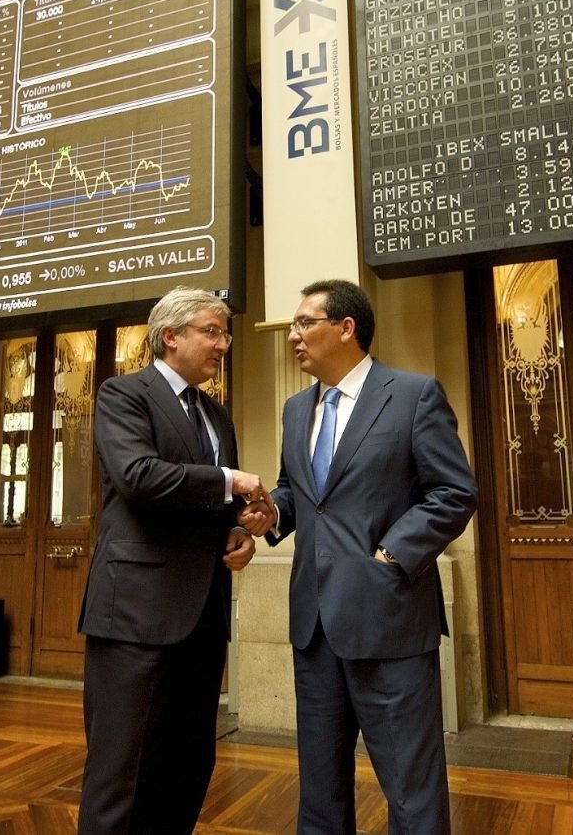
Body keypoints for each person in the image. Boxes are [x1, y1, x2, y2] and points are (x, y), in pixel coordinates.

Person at [267, 279, 478, 834]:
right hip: (314, 627)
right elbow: (298, 491)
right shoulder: (294, 410)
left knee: (410, 787)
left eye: (303, 323)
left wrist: (390, 555)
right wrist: (271, 515)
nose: (292, 335)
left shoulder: (412, 394)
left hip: (390, 620)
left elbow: (454, 492)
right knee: (320, 787)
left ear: (345, 328)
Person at [76, 286, 273, 835]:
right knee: (121, 770)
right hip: (135, 615)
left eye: (225, 334)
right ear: (171, 336)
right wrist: (229, 479)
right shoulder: (124, 395)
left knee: (186, 764)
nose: (223, 345)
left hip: (202, 618)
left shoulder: (217, 414)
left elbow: (213, 505)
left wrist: (239, 529)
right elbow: (137, 477)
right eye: (211, 332)